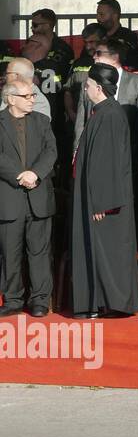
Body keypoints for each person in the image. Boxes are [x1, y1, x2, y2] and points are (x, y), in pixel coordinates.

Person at [70, 64, 138, 318]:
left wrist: (103, 203)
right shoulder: (103, 112)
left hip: (102, 201)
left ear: (98, 87)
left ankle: (112, 303)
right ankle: (100, 302)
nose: (84, 87)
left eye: (87, 84)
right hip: (94, 196)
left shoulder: (109, 114)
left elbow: (109, 163)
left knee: (108, 252)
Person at [0, 80, 56, 317]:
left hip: (38, 194)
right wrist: (19, 175)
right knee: (9, 252)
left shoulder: (42, 121)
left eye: (33, 95)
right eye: (28, 95)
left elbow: (51, 151)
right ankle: (12, 299)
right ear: (11, 99)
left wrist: (35, 173)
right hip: (9, 196)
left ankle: (40, 300)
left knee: (39, 251)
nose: (33, 99)